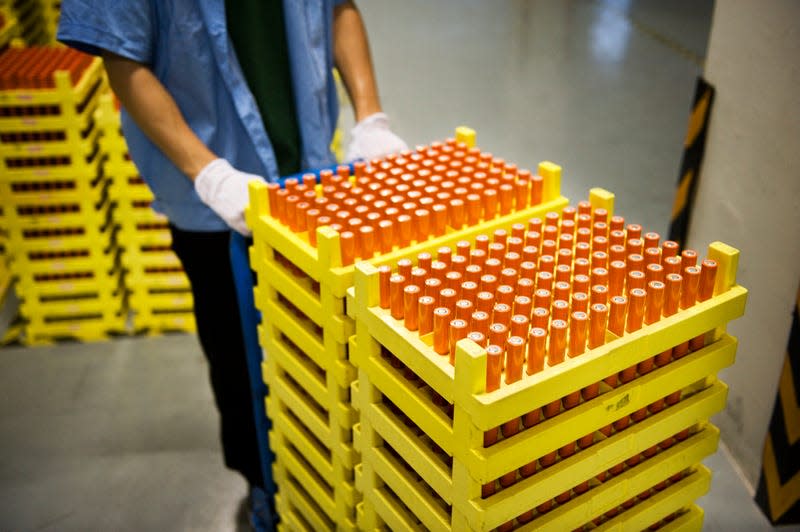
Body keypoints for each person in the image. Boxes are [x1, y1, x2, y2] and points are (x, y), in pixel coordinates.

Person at [57, 1, 406, 529]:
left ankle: (328, 479)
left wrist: (370, 116)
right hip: (217, 200)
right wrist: (209, 172)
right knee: (240, 359)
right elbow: (122, 56)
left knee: (323, 349)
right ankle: (264, 487)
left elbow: (340, 9)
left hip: (312, 178)